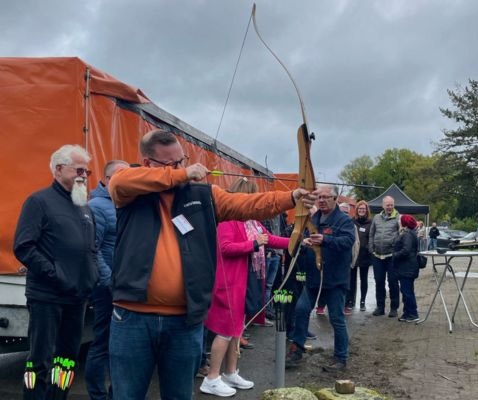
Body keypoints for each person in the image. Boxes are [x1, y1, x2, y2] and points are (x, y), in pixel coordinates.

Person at [107, 129, 316, 399]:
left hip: (184, 318)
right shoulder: (130, 191)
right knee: (126, 394)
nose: (181, 167)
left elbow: (247, 204)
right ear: (148, 163)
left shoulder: (204, 195)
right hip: (131, 316)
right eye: (171, 164)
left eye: (181, 161)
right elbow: (119, 181)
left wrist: (290, 198)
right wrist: (182, 174)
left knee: (180, 394)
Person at [13, 144, 97, 399]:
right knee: (39, 360)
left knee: (67, 361)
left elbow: (90, 247)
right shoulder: (38, 202)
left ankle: (58, 396)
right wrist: (56, 275)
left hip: (77, 298)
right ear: (59, 169)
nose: (84, 175)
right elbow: (24, 247)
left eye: (87, 171)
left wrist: (91, 276)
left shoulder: (83, 206)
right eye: (79, 170)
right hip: (47, 297)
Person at [200, 177, 291, 397]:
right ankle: (211, 378)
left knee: (235, 330)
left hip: (241, 280)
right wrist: (254, 244)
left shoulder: (249, 221)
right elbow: (225, 247)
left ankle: (230, 372)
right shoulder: (228, 219)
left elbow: (268, 238)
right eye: (252, 197)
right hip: (226, 282)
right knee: (224, 331)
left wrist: (296, 241)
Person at [286, 184, 355, 372]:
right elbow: (302, 236)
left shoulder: (344, 221)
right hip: (313, 277)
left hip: (335, 280)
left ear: (335, 199)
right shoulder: (313, 218)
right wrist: (304, 241)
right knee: (301, 310)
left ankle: (341, 357)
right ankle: (296, 350)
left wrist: (326, 240)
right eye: (320, 197)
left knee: (336, 318)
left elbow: (348, 241)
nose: (322, 200)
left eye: (326, 197)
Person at [85, 160, 129, 400]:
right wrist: (109, 281)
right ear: (109, 179)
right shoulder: (97, 207)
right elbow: (93, 249)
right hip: (108, 287)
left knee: (120, 345)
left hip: (124, 286)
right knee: (102, 341)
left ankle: (116, 393)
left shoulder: (122, 203)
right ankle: (97, 395)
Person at [369, 196, 400, 317]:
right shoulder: (376, 217)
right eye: (387, 205)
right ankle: (380, 307)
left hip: (392, 256)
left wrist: (395, 246)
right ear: (383, 205)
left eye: (391, 205)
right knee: (379, 282)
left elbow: (401, 234)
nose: (389, 207)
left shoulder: (398, 217)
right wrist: (371, 248)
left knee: (393, 282)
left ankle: (394, 308)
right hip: (377, 256)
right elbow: (371, 234)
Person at [393, 215, 420, 322]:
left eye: (400, 220)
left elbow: (406, 250)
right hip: (408, 267)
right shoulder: (410, 233)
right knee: (406, 290)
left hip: (407, 267)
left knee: (407, 291)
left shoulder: (407, 234)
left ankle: (413, 313)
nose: (399, 222)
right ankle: (407, 313)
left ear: (404, 222)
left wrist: (394, 255)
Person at [351, 200, 372, 312]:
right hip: (354, 255)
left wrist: (369, 248)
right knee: (352, 279)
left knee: (364, 279)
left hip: (365, 255)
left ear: (366, 210)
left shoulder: (370, 222)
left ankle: (362, 301)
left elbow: (372, 237)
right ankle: (351, 300)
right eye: (360, 209)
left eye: (363, 209)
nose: (361, 211)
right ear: (357, 210)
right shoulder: (352, 221)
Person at [339, 202, 360, 315]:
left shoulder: (353, 226)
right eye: (342, 212)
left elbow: (356, 243)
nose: (345, 214)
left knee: (347, 284)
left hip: (348, 260)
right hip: (335, 260)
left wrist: (353, 259)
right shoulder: (333, 223)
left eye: (346, 212)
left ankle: (347, 304)